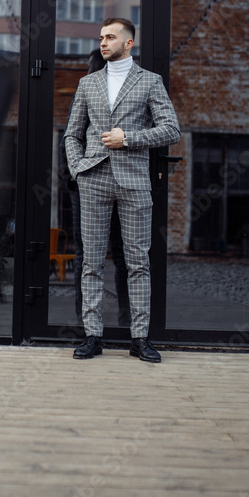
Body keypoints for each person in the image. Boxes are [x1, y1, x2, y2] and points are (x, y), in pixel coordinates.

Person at [64, 18, 180, 363]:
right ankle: (92, 335)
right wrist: (78, 167)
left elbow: (171, 130)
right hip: (93, 178)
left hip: (134, 182)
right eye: (101, 37)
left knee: (137, 262)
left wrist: (128, 139)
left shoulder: (150, 82)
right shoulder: (88, 84)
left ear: (128, 43)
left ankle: (140, 338)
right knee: (91, 262)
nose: (103, 42)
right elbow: (72, 133)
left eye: (110, 37)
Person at [60, 49, 129, 326]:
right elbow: (69, 138)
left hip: (122, 184)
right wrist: (78, 175)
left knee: (111, 255)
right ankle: (91, 323)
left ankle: (123, 322)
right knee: (96, 255)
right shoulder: (88, 92)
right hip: (89, 185)